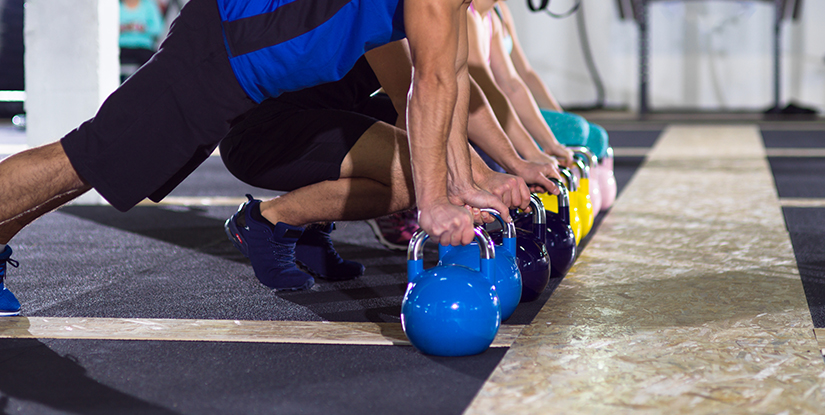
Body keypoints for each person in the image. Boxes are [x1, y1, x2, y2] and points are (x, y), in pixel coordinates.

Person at [0, 0, 525, 316]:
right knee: (87, 159)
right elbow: (426, 83)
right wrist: (434, 201)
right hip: (226, 50)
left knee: (101, 168)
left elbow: (451, 79)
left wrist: (464, 184)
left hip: (246, 70)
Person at [220, 40, 561, 290]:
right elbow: (413, 99)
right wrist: (469, 181)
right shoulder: (388, 6)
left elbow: (456, 82)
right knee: (416, 176)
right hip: (258, 131)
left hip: (318, 116)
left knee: (423, 169)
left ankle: (310, 228)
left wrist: (513, 164)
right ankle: (266, 221)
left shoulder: (440, 11)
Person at [119, 0, 164, 71]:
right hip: (121, 47)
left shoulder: (149, 5)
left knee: (155, 62)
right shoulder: (116, 6)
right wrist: (123, 28)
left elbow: (158, 29)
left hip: (143, 47)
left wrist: (143, 28)